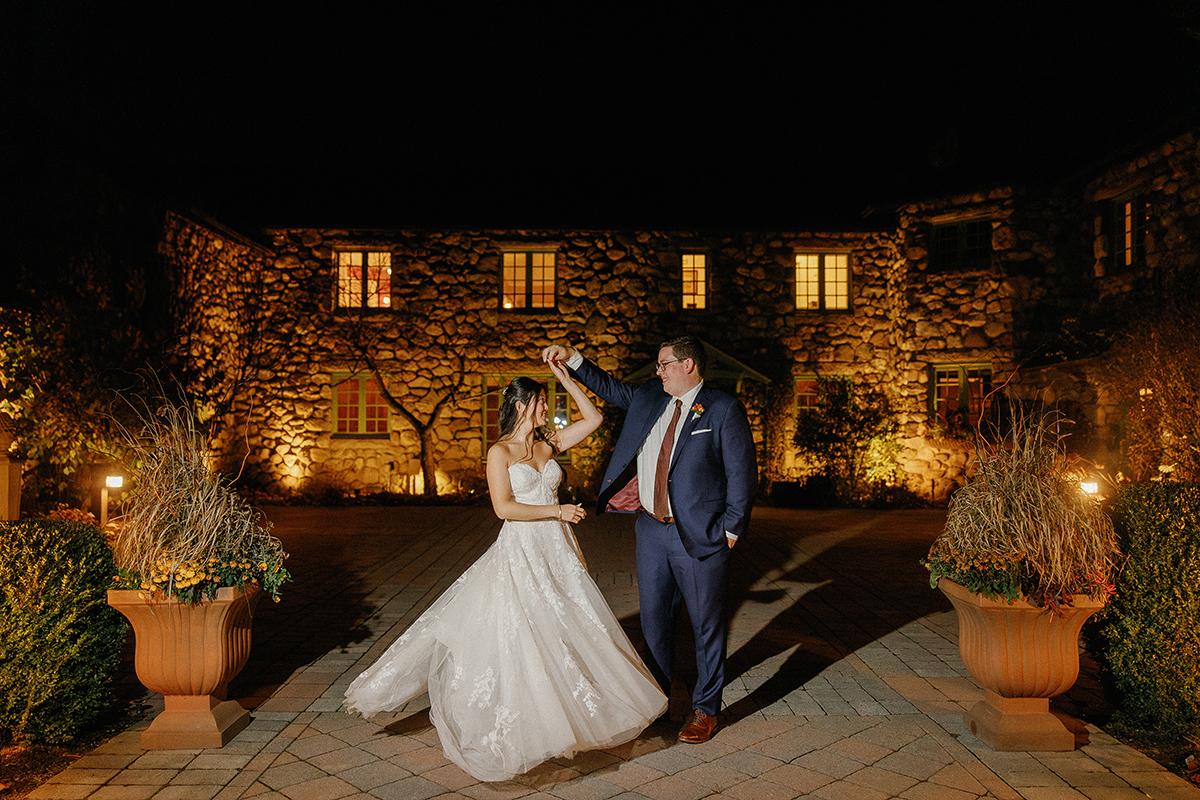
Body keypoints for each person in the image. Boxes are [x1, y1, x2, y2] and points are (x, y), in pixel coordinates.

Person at [343, 361, 667, 782]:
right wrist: (557, 510)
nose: (543, 412)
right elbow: (504, 508)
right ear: (519, 405)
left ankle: (564, 712)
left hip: (559, 551)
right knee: (525, 629)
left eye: (544, 405)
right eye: (537, 404)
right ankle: (528, 721)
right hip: (524, 549)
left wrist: (567, 380)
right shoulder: (500, 452)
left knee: (565, 626)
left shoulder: (547, 445)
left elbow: (595, 418)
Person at [541, 335, 756, 744]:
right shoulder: (648, 399)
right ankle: (658, 702)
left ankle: (705, 709)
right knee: (654, 623)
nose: (658, 371)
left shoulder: (723, 408)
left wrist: (730, 530)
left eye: (664, 364)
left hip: (699, 536)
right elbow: (609, 387)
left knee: (706, 626)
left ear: (688, 364)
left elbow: (741, 474)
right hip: (651, 531)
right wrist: (574, 358)